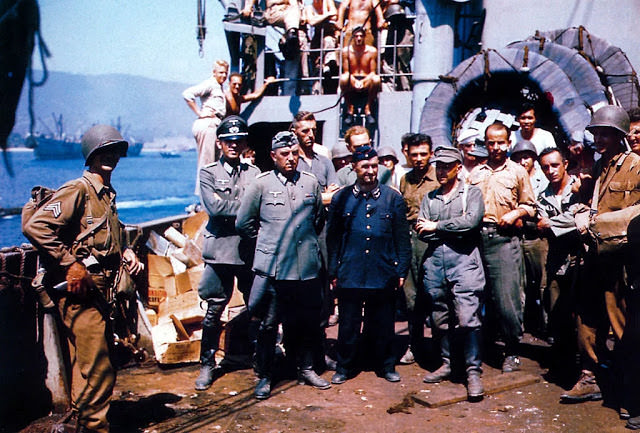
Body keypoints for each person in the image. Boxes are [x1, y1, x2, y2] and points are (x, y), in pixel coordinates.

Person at [23, 125, 143, 433]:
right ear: (90, 154)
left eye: (115, 150)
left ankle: (82, 420)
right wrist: (70, 264)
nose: (111, 157)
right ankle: (94, 427)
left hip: (102, 289)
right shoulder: (78, 189)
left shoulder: (105, 195)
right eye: (103, 151)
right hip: (81, 288)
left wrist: (126, 250)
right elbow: (37, 227)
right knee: (100, 368)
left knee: (87, 364)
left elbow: (102, 234)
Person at [236, 131, 331, 399]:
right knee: (268, 324)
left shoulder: (311, 183)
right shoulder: (260, 184)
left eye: (294, 154)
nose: (290, 159)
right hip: (274, 269)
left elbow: (318, 219)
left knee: (307, 322)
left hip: (306, 267)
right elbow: (244, 223)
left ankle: (306, 368)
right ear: (273, 156)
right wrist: (270, 243)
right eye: (285, 154)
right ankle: (265, 375)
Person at [566, 107, 640, 419]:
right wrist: (580, 206)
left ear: (620, 135)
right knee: (586, 320)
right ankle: (591, 376)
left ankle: (628, 388)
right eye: (596, 133)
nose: (598, 138)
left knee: (622, 326)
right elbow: (589, 203)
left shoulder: (635, 166)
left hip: (619, 259)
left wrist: (598, 221)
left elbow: (637, 212)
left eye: (605, 133)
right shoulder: (600, 167)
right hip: (593, 256)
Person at [327, 145, 411, 384]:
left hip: (382, 269)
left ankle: (385, 365)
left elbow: (402, 238)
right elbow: (332, 238)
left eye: (374, 166)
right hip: (351, 270)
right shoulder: (341, 198)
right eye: (365, 166)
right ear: (354, 167)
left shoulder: (392, 198)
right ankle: (345, 366)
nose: (370, 171)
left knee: (383, 323)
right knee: (349, 323)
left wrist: (400, 269)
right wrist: (334, 270)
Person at [194, 116, 261, 391]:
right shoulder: (208, 173)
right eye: (228, 141)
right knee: (213, 311)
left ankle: (261, 361)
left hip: (247, 250)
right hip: (220, 250)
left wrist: (237, 208)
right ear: (220, 143)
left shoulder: (254, 173)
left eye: (239, 140)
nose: (234, 145)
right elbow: (215, 209)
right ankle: (207, 364)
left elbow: (257, 206)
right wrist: (246, 208)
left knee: (257, 307)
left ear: (245, 143)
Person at [416, 147, 486, 401]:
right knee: (440, 318)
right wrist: (447, 229)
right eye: (439, 166)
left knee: (468, 319)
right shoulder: (430, 198)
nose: (442, 171)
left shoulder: (471, 194)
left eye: (447, 166)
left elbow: (471, 223)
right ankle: (447, 363)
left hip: (465, 263)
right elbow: (421, 230)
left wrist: (438, 226)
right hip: (435, 264)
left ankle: (472, 371)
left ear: (458, 167)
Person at [468, 122, 536, 373]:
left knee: (507, 299)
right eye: (491, 143)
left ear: (508, 143)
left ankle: (512, 350)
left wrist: (516, 212)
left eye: (500, 142)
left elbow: (531, 206)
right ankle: (481, 346)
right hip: (476, 241)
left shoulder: (517, 172)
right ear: (485, 144)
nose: (496, 147)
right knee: (476, 296)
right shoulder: (474, 173)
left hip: (504, 239)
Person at [535, 147, 584, 378]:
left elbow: (580, 218)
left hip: (580, 258)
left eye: (555, 165)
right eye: (545, 167)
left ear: (565, 164)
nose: (550, 171)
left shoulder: (580, 187)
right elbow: (542, 222)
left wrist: (553, 224)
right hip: (556, 259)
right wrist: (561, 224)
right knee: (557, 311)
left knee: (583, 316)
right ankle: (564, 363)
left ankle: (587, 366)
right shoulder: (543, 195)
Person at [398, 132, 438, 365]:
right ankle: (414, 345)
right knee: (411, 299)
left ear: (431, 154)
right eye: (414, 155)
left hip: (433, 241)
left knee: (436, 296)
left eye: (423, 154)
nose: (419, 159)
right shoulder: (405, 179)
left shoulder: (439, 178)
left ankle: (441, 349)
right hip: (410, 240)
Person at [510, 140, 549, 336]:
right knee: (519, 285)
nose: (523, 161)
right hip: (518, 236)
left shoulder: (544, 179)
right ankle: (521, 327)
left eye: (526, 157)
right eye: (518, 158)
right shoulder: (512, 177)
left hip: (539, 237)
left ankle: (547, 326)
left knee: (543, 283)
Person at [183, 60, 229, 194]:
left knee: (215, 161)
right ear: (214, 72)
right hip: (208, 124)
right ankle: (205, 197)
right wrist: (199, 112)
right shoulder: (210, 84)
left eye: (226, 72)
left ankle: (212, 195)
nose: (224, 75)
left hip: (215, 124)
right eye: (221, 72)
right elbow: (187, 94)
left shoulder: (218, 87)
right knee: (207, 163)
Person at [291, 111, 339, 203]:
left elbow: (336, 195)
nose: (311, 135)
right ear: (295, 133)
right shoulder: (291, 163)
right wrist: (325, 196)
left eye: (314, 130)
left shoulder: (325, 162)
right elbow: (293, 199)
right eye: (305, 131)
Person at [339, 26, 381, 125]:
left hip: (366, 79)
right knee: (343, 78)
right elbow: (346, 72)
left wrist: (363, 81)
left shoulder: (372, 51)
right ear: (352, 37)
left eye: (361, 36)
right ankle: (350, 109)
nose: (359, 38)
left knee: (376, 79)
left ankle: (368, 108)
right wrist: (355, 81)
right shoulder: (346, 51)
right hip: (352, 79)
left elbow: (372, 72)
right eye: (356, 36)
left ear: (364, 37)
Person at [303, 0, 339, 94]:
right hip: (317, 41)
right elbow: (311, 21)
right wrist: (327, 15)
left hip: (330, 38)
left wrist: (319, 17)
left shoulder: (328, 2)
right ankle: (316, 92)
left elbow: (334, 15)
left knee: (328, 40)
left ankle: (327, 65)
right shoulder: (309, 8)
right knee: (317, 68)